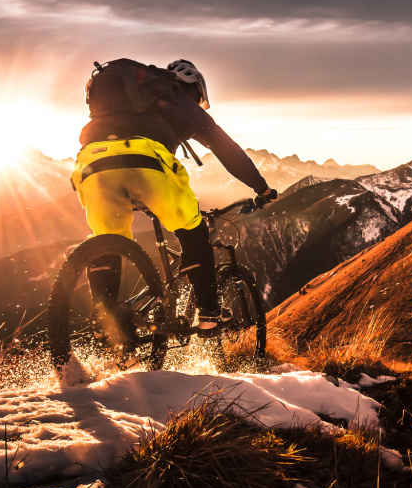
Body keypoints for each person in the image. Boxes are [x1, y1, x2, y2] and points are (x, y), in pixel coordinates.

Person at [71, 58, 276, 336]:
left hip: (91, 163)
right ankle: (209, 314)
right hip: (146, 161)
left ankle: (104, 321)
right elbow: (224, 146)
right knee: (192, 228)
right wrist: (261, 188)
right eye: (198, 98)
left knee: (107, 238)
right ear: (193, 89)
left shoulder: (125, 95)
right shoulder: (175, 96)